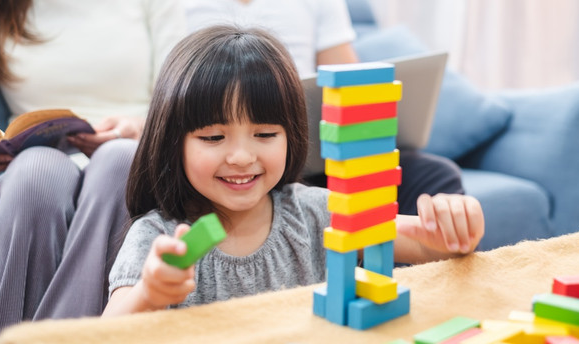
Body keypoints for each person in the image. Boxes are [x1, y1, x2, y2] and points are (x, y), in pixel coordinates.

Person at [102, 25, 484, 316]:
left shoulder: (317, 212)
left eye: (265, 133)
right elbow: (107, 332)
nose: (240, 156)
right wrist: (148, 294)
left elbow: (421, 242)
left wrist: (457, 228)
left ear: (292, 135)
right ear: (174, 141)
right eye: (214, 137)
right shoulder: (158, 236)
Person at [0, 0, 185, 336]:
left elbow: (182, 92)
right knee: (35, 174)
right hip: (34, 157)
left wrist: (139, 127)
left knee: (118, 162)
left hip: (135, 142)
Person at [181, 0, 465, 215]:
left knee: (434, 177)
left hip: (317, 148)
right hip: (258, 155)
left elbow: (352, 84)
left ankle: (394, 279)